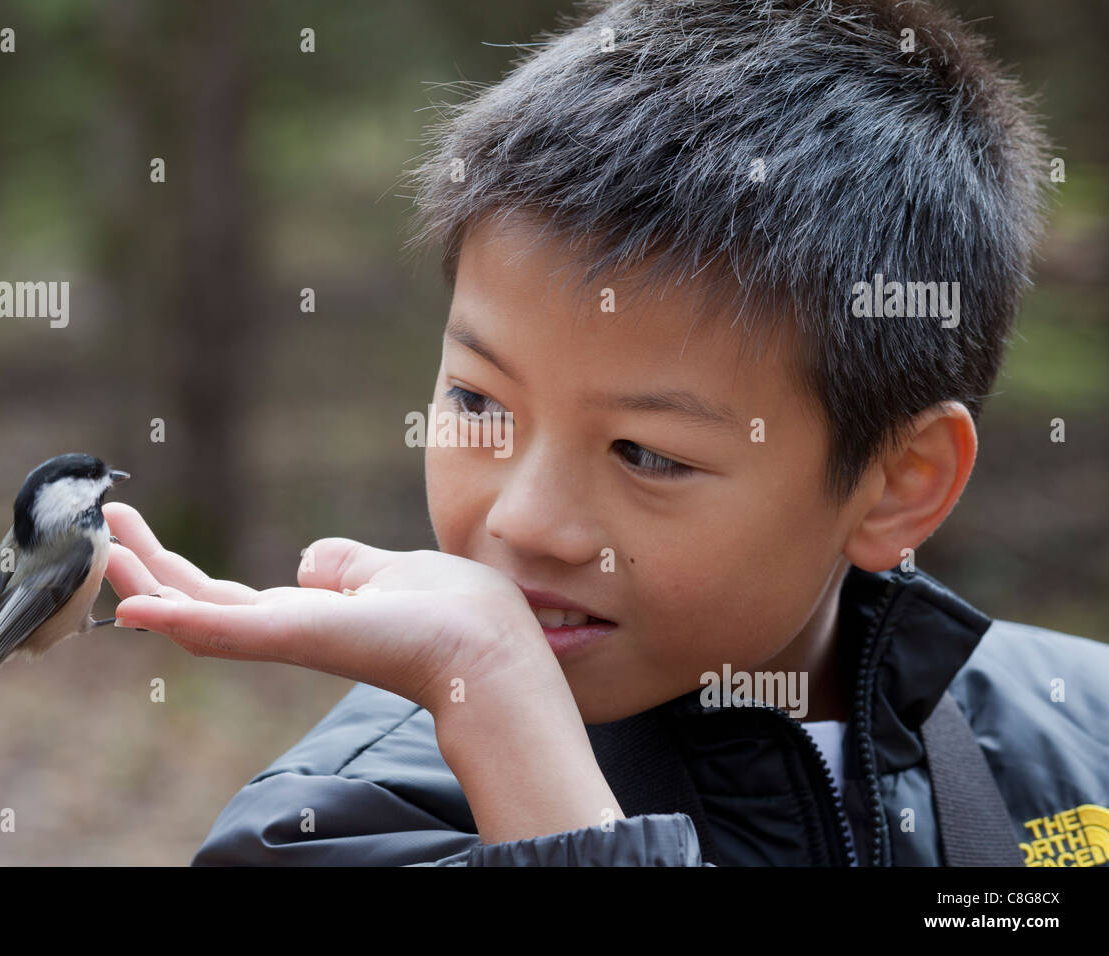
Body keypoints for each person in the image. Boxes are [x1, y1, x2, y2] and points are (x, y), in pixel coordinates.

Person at [103, 0, 1109, 866]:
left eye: (647, 453)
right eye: (479, 403)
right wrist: (504, 716)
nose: (526, 520)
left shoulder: (1080, 743)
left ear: (898, 484)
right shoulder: (337, 822)